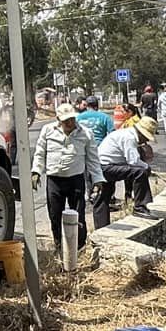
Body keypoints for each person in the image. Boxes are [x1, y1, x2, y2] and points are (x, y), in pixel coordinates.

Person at [32, 103, 102, 260]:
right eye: (66, 121)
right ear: (58, 120)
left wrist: (98, 179)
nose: (70, 123)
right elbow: (39, 153)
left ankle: (79, 248)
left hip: (75, 180)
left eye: (72, 119)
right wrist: (36, 170)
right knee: (55, 215)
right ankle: (60, 247)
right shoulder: (48, 130)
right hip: (54, 180)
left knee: (78, 215)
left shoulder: (85, 133)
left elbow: (93, 159)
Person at [100, 113, 157, 219]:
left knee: (104, 198)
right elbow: (133, 161)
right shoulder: (129, 137)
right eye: (146, 138)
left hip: (107, 165)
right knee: (141, 172)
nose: (146, 141)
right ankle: (140, 207)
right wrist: (148, 168)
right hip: (106, 167)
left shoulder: (126, 134)